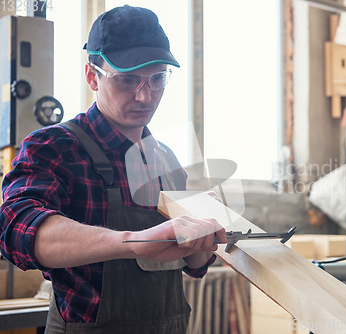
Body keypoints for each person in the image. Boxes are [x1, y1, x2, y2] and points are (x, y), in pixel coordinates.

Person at [0, 5, 226, 334]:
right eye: (127, 79)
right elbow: (17, 228)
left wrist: (204, 242)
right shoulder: (55, 147)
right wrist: (133, 241)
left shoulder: (168, 162)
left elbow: (193, 266)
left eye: (157, 78)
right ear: (93, 76)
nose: (145, 94)